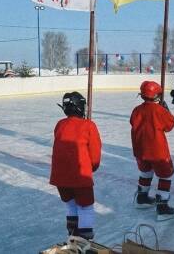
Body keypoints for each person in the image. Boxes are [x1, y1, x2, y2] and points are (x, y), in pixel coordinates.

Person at [50, 91, 102, 247]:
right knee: (85, 207)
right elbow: (95, 153)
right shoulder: (89, 125)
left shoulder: (60, 124)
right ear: (80, 107)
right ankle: (84, 242)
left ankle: (73, 236)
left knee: (71, 204)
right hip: (80, 175)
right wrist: (92, 167)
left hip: (60, 177)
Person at [130, 81, 174, 221]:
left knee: (145, 172)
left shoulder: (137, 110)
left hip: (140, 149)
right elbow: (170, 125)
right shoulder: (159, 110)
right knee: (165, 176)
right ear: (156, 95)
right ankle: (162, 206)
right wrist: (165, 110)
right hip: (157, 150)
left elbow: (133, 122)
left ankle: (142, 197)